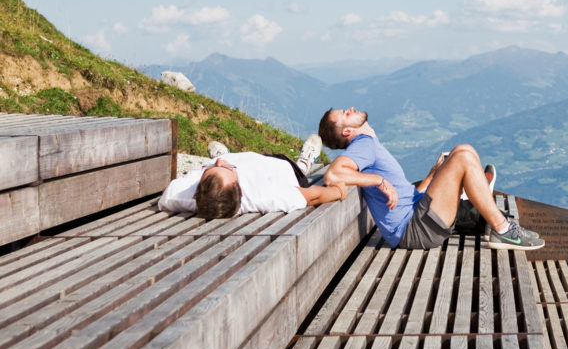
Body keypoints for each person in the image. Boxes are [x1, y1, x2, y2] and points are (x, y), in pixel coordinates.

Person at [318, 107, 544, 251]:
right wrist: (378, 180)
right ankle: (502, 230)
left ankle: (488, 213)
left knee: (463, 150)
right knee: (463, 156)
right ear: (347, 132)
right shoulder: (363, 146)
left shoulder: (369, 144)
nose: (350, 109)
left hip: (417, 216)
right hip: (415, 230)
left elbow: (406, 197)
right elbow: (334, 174)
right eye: (345, 115)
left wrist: (431, 175)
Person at [158, 135, 344, 219]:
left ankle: (228, 153)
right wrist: (338, 191)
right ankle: (305, 162)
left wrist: (221, 164)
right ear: (240, 190)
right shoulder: (265, 195)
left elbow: (167, 192)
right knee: (299, 171)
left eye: (212, 167)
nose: (221, 162)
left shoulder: (183, 195)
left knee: (224, 160)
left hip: (245, 160)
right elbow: (311, 196)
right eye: (226, 167)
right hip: (282, 169)